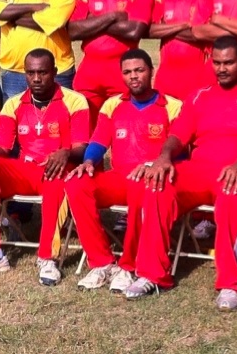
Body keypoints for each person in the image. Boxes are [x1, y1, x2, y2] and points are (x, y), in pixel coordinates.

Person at [124, 35, 237, 311]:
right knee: (157, 185)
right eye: (217, 63)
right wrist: (164, 157)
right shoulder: (199, 95)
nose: (222, 69)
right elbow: (178, 135)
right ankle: (152, 274)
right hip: (198, 169)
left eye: (228, 63)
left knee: (233, 193)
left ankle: (230, 283)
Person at [0, 49, 90, 285]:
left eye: (43, 72)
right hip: (25, 170)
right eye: (31, 73)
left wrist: (66, 152)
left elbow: (82, 147)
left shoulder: (75, 101)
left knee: (57, 176)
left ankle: (47, 258)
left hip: (56, 169)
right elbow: (2, 148)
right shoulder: (13, 103)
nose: (36, 78)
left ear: (55, 72)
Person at [64, 49, 181, 291]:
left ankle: (129, 265)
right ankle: (102, 263)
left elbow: (180, 150)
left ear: (151, 71)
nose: (133, 76)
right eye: (127, 72)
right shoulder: (112, 104)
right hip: (119, 178)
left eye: (139, 70)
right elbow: (99, 140)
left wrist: (153, 165)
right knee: (76, 183)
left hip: (152, 180)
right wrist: (88, 161)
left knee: (141, 184)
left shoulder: (172, 106)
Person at [68, 0, 153, 122]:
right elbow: (73, 31)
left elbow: (134, 31)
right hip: (89, 76)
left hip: (123, 73)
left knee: (124, 130)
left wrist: (92, 21)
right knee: (86, 134)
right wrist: (113, 16)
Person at [149, 0, 208, 100]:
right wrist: (184, 25)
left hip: (198, 80)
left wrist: (166, 29)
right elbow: (150, 30)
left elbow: (202, 34)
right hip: (165, 80)